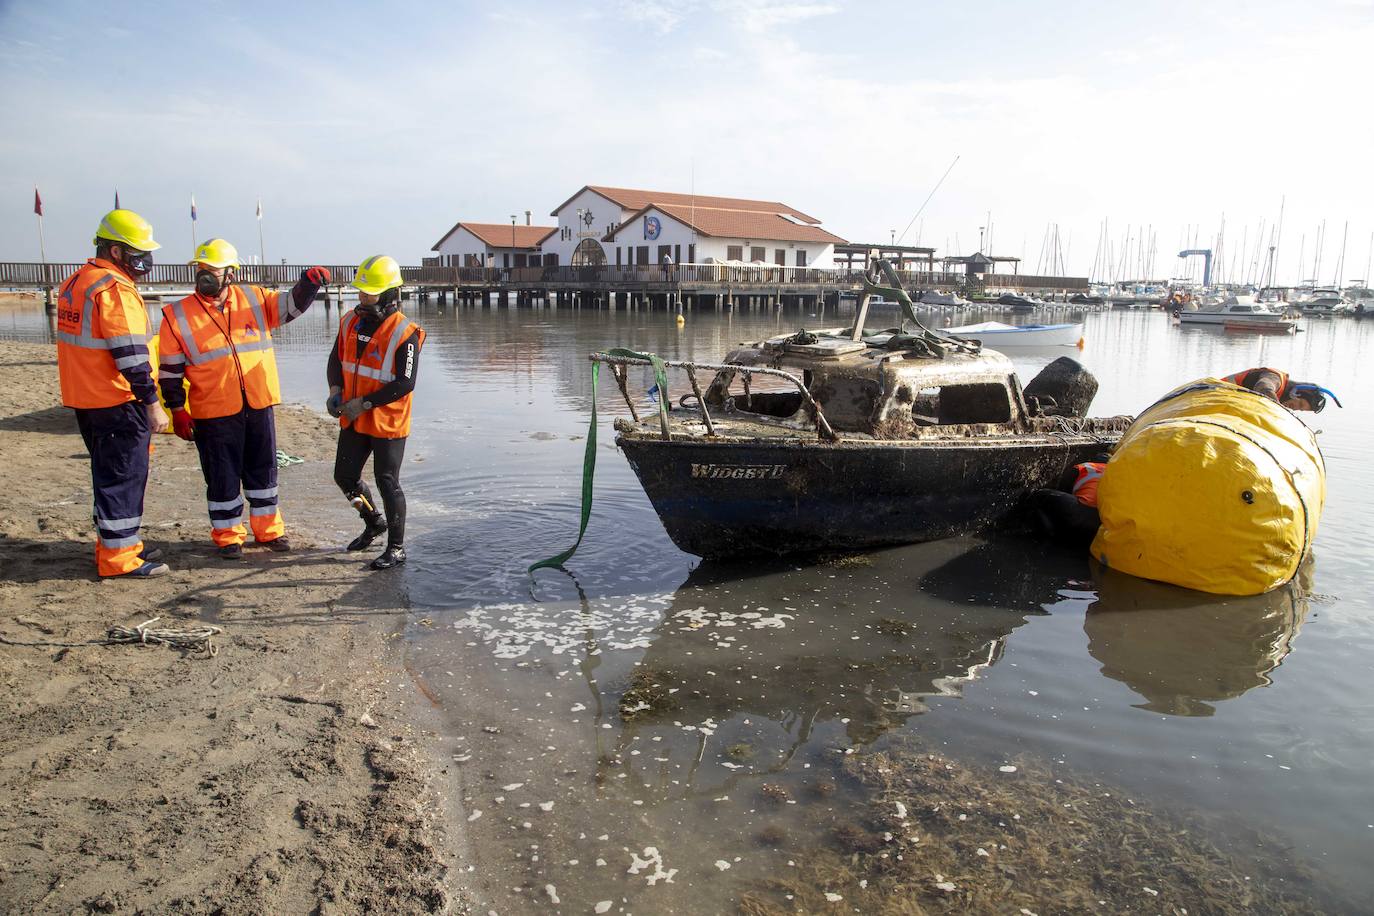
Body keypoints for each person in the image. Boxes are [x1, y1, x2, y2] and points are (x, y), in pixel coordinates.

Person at [157, 239, 329, 558]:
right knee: (221, 474)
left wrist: (307, 284)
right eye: (201, 270)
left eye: (212, 271)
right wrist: (178, 410)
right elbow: (169, 371)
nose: (204, 276)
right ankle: (228, 536)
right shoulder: (176, 315)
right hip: (212, 410)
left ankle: (268, 531)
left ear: (231, 274)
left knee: (263, 470)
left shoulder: (254, 299)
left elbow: (289, 307)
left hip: (257, 403)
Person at [55, 209, 170, 578]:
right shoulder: (114, 290)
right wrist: (153, 404)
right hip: (117, 399)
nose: (145, 260)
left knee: (109, 473)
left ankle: (119, 544)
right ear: (117, 251)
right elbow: (132, 358)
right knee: (123, 476)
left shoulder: (76, 282)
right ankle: (118, 559)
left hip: (86, 397)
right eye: (139, 252)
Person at [327, 255, 425, 570]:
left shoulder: (405, 332)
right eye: (362, 291)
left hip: (387, 420)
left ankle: (396, 548)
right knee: (344, 476)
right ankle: (373, 522)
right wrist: (335, 391)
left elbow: (405, 383)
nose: (363, 298)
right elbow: (335, 360)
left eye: (371, 292)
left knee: (387, 481)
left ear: (389, 294)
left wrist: (365, 403)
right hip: (354, 416)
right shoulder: (349, 322)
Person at [1023, 459, 1106, 548]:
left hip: (1080, 512)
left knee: (1040, 496)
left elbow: (1062, 489)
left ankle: (1048, 535)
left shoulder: (1084, 467)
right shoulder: (1115, 473)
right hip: (1100, 525)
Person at [1221, 367, 1343, 413]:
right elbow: (1263, 386)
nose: (1295, 408)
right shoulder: (1276, 379)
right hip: (1213, 393)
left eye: (1301, 409)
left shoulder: (1279, 393)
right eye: (1299, 403)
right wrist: (1279, 412)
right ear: (1296, 392)